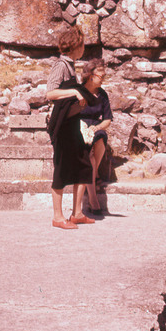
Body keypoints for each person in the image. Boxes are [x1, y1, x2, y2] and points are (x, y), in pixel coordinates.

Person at [46, 25, 97, 229]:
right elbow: (50, 94)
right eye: (82, 44)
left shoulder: (71, 65)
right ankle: (58, 218)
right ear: (75, 46)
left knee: (83, 165)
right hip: (61, 125)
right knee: (61, 168)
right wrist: (73, 94)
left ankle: (77, 213)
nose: (83, 48)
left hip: (72, 123)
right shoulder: (61, 65)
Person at [79, 58, 113, 215]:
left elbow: (107, 120)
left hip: (95, 127)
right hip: (79, 127)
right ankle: (93, 197)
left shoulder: (102, 94)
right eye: (101, 74)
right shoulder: (78, 91)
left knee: (100, 137)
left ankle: (92, 181)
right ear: (91, 75)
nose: (104, 76)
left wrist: (96, 127)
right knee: (89, 157)